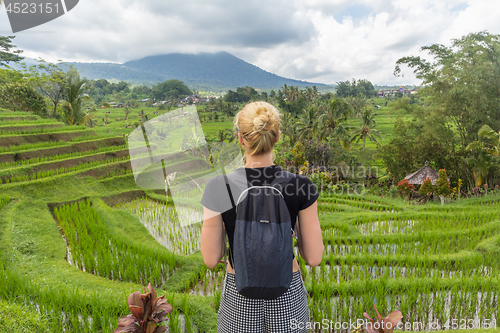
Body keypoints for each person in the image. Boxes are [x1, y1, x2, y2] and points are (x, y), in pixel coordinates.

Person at [200, 101, 324, 332]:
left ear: (241, 138)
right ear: (277, 137)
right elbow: (314, 257)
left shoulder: (218, 186)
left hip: (239, 293)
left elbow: (210, 258)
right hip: (287, 289)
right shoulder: (301, 185)